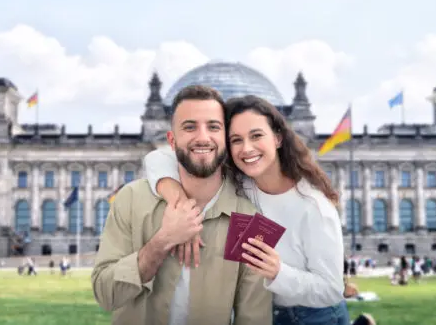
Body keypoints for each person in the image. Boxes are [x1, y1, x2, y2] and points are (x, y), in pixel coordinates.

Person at [144, 94, 349, 325]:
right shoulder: (240, 183)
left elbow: (332, 289)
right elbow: (157, 156)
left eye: (256, 135)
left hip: (312, 317)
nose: (247, 149)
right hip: (258, 312)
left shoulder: (314, 206)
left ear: (278, 138)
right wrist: (180, 202)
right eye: (236, 140)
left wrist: (278, 272)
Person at [91, 86, 272, 325]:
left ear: (227, 139)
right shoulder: (131, 199)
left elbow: (254, 319)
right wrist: (162, 241)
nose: (202, 137)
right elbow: (106, 295)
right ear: (171, 140)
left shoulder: (252, 221)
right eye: (189, 127)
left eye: (213, 127)